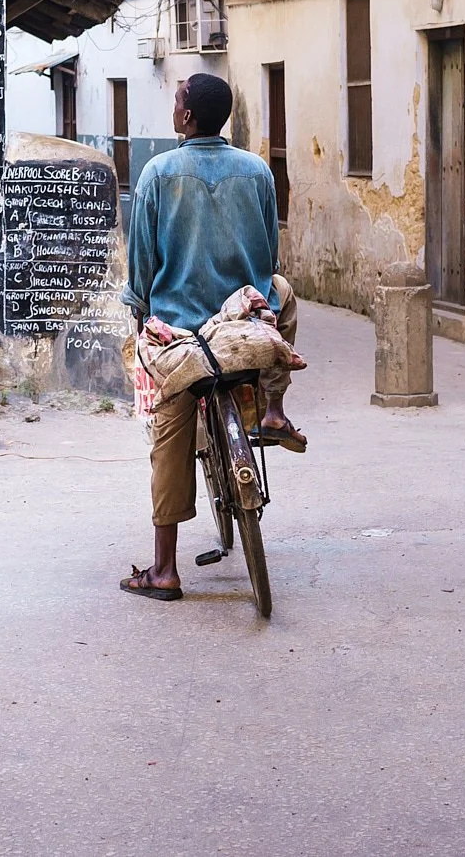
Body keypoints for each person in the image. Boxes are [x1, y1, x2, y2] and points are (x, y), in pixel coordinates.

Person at [120, 72, 302, 602]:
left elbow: (142, 269)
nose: (175, 107)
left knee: (168, 438)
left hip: (184, 336)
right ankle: (273, 405)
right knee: (284, 293)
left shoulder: (157, 174)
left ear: (186, 117)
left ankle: (163, 570)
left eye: (177, 100)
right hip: (243, 326)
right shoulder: (257, 173)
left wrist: (141, 317)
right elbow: (269, 259)